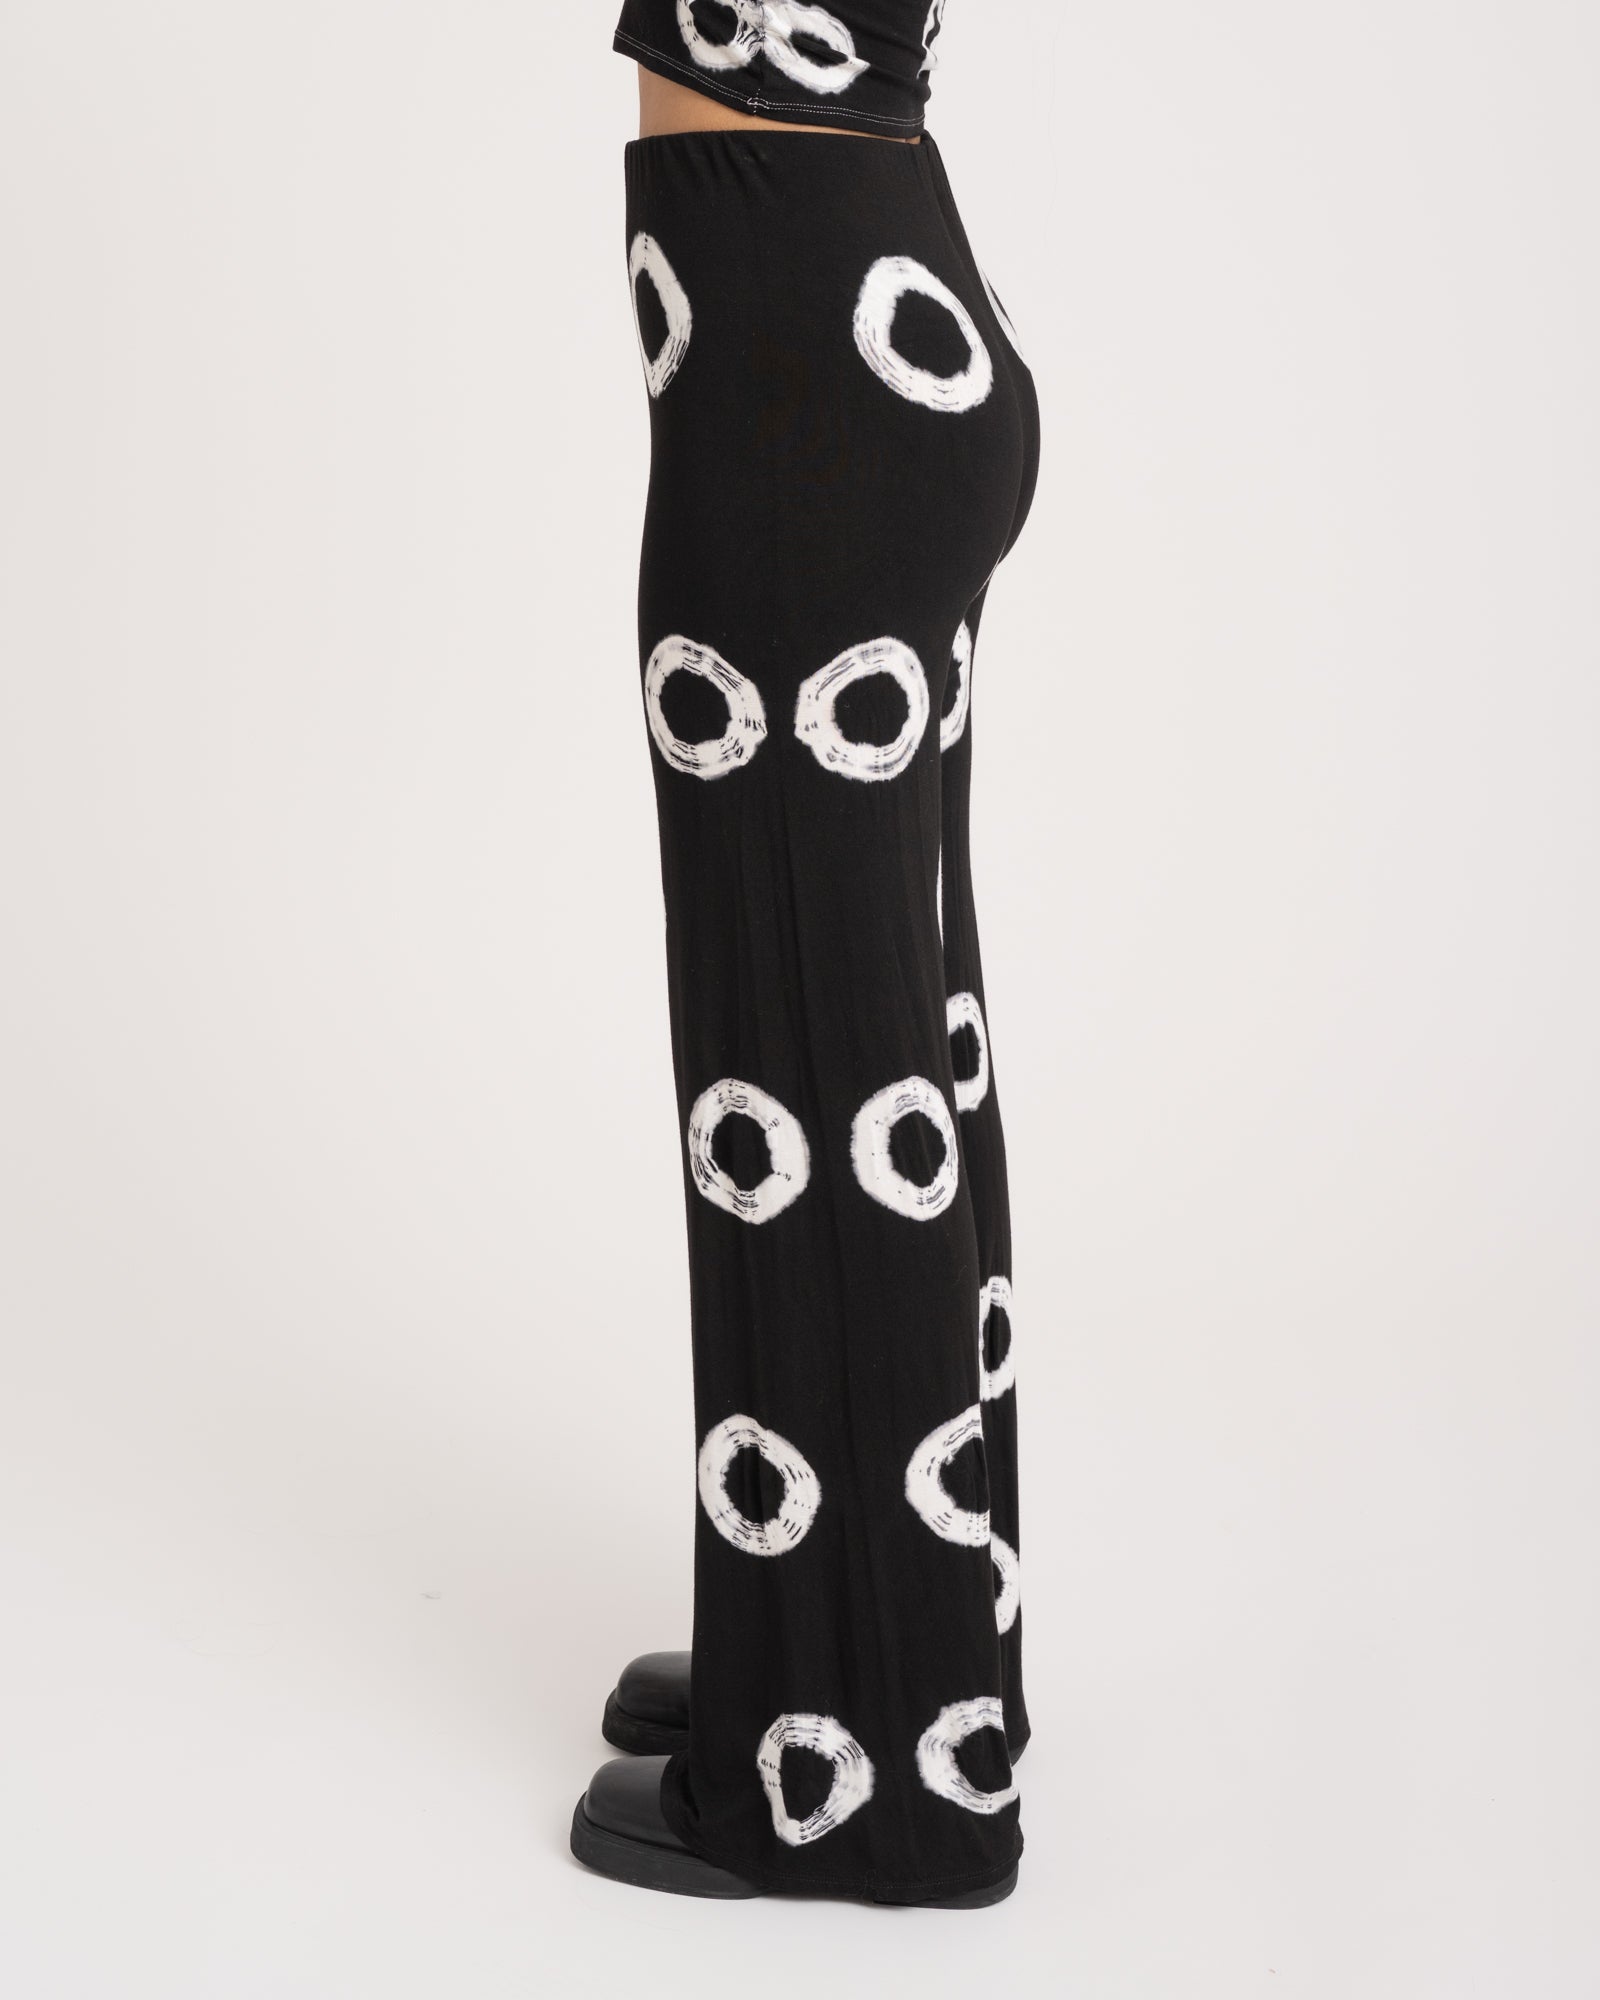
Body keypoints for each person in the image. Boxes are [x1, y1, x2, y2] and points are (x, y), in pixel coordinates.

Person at [569, 0, 1040, 1908]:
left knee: (811, 1073)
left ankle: (858, 1785)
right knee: (879, 1057)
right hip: (834, 327)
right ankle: (862, 1663)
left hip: (802, 371)